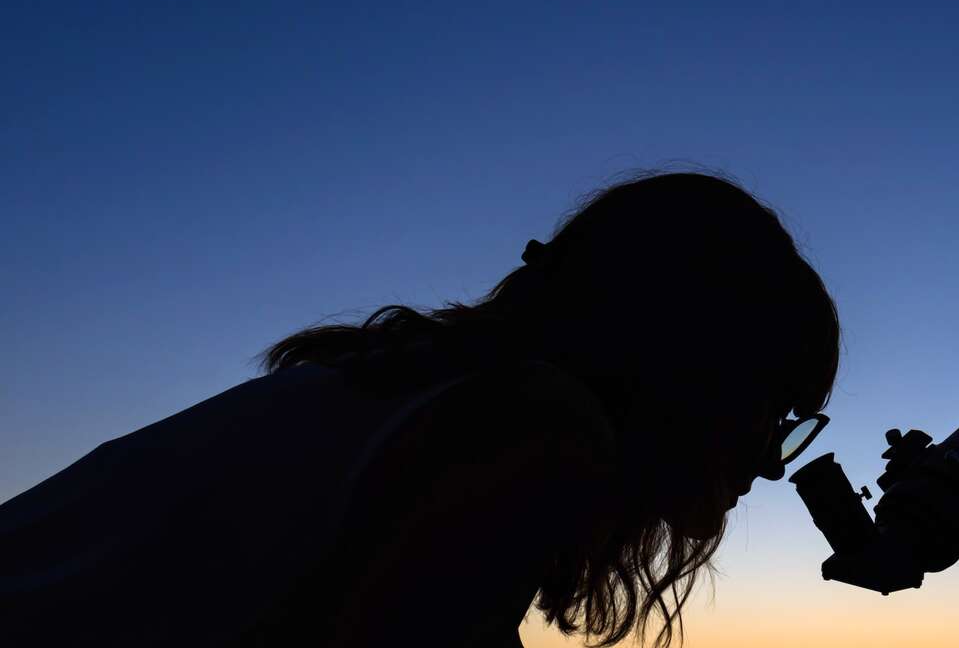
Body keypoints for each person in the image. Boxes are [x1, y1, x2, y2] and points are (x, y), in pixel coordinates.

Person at [0, 170, 841, 648]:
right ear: (690, 365)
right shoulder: (533, 433)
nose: (768, 463)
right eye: (770, 411)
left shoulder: (391, 395)